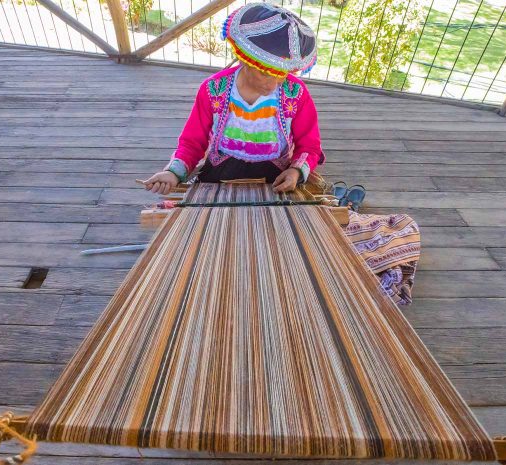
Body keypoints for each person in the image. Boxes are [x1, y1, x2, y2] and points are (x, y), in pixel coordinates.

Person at [142, 3, 420, 305]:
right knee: (213, 242)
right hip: (220, 176)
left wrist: (297, 171)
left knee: (285, 247)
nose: (277, 82)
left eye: (283, 74)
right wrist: (174, 172)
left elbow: (309, 147)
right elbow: (193, 141)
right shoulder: (213, 90)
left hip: (276, 177)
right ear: (246, 60)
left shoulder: (295, 94)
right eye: (269, 74)